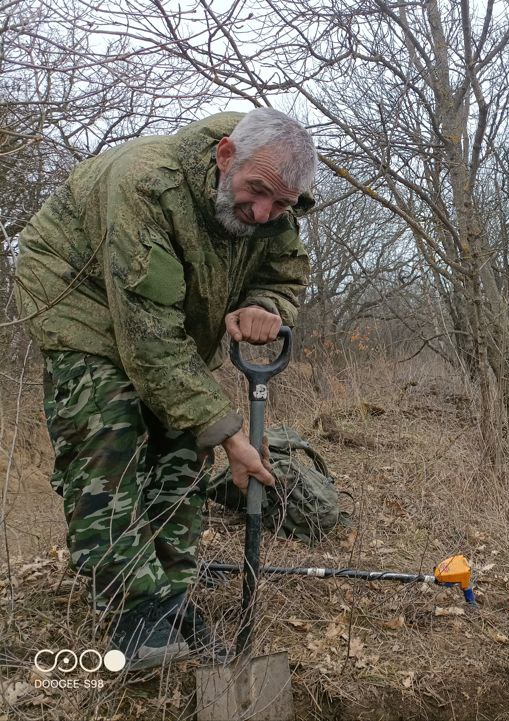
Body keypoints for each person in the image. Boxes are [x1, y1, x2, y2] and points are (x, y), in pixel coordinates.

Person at [14, 107, 316, 670]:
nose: (262, 212)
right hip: (80, 301)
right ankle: (137, 606)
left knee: (181, 441)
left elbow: (283, 271)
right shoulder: (146, 184)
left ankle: (170, 597)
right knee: (112, 429)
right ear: (226, 155)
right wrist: (230, 436)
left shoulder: (276, 200)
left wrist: (265, 306)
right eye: (256, 193)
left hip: (165, 319)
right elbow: (148, 340)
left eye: (280, 203)